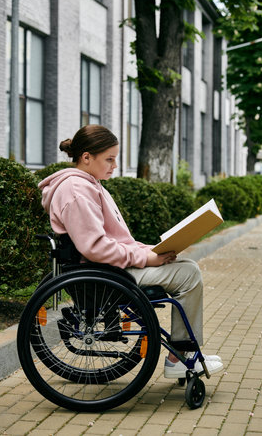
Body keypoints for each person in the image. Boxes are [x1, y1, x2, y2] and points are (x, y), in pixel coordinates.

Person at [38, 124, 223, 378]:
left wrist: (152, 251)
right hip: (107, 275)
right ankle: (180, 356)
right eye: (109, 159)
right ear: (87, 157)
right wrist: (146, 258)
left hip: (111, 269)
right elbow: (95, 247)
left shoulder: (89, 185)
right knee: (189, 275)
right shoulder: (77, 190)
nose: (114, 165)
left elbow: (113, 240)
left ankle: (182, 353)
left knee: (188, 268)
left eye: (115, 159)